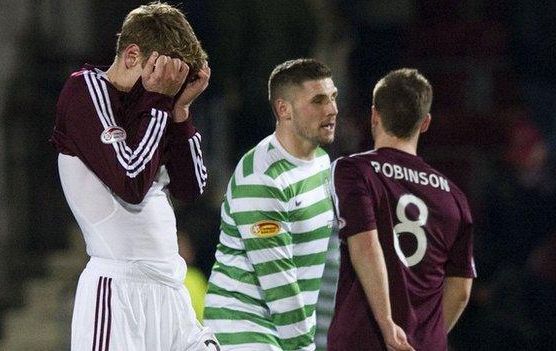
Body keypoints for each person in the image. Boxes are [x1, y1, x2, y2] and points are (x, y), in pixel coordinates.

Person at [51, 3, 218, 350]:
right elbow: (131, 182)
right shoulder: (85, 91)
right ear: (131, 57)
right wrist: (160, 102)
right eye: (160, 76)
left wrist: (181, 112)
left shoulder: (159, 105)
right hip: (117, 296)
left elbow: (191, 188)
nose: (165, 87)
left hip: (171, 291)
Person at [328, 68, 475, 351]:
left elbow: (366, 247)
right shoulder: (454, 197)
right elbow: (461, 291)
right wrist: (422, 338)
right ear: (425, 123)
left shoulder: (355, 171)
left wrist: (387, 326)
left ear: (374, 115)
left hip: (363, 340)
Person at [204, 58, 338, 350]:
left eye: (332, 97)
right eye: (318, 100)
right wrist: (304, 347)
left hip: (284, 332)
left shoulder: (321, 164)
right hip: (242, 331)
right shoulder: (262, 177)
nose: (331, 110)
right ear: (283, 109)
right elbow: (279, 283)